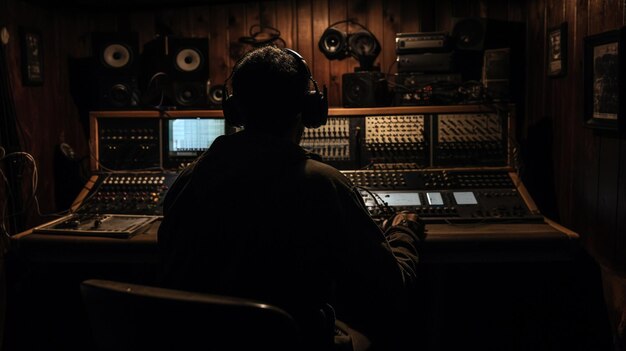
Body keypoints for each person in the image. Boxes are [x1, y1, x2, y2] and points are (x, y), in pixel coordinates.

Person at [157, 45, 425, 351]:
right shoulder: (322, 184)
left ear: (233, 110)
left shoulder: (189, 179)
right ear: (311, 110)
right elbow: (391, 288)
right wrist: (403, 231)